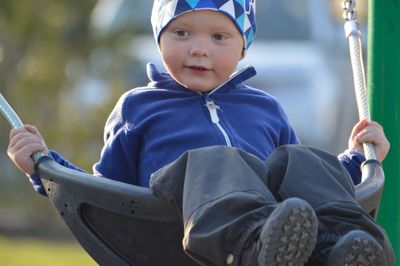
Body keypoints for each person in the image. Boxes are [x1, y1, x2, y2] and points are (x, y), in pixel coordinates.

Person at [7, 0, 395, 265]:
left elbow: (295, 183)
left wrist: (356, 159)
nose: (198, 49)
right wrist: (44, 167)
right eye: (182, 34)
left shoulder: (265, 108)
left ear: (243, 47)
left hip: (278, 222)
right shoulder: (139, 107)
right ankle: (254, 244)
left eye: (218, 37)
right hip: (177, 226)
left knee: (301, 158)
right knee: (215, 159)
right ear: (160, 38)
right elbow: (103, 191)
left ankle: (341, 246)